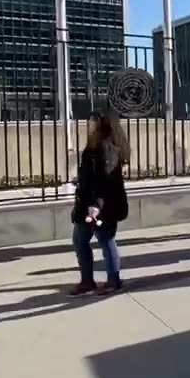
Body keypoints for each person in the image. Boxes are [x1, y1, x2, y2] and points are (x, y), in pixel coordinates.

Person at [69, 110, 130, 296]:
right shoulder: (95, 144)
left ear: (102, 124)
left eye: (93, 121)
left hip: (101, 206)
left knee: (105, 240)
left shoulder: (107, 146)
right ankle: (88, 281)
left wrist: (96, 205)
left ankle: (113, 280)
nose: (90, 124)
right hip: (88, 203)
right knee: (81, 240)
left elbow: (105, 180)